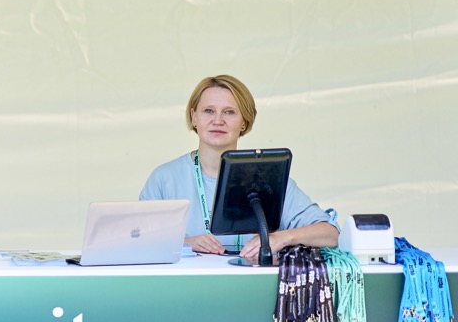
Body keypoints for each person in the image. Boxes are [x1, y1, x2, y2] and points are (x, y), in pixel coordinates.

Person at [139, 74, 337, 263]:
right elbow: (136, 241)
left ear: (244, 122)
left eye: (229, 112)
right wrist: (184, 243)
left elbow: (331, 234)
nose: (218, 120)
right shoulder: (164, 178)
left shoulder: (270, 181)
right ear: (194, 117)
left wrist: (282, 238)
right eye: (208, 111)